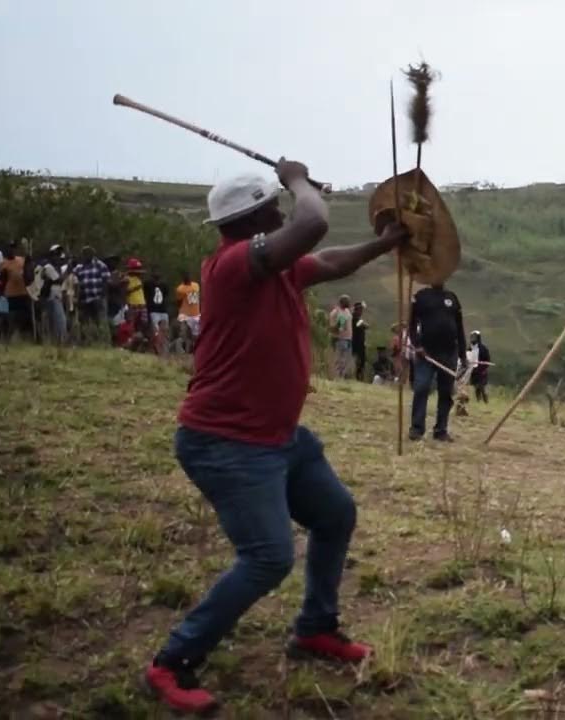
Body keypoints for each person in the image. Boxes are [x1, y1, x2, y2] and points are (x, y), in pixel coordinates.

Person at [145, 162, 411, 714]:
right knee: (267, 557)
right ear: (258, 218)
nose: (281, 215)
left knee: (335, 515)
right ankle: (171, 662)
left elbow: (331, 258)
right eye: (274, 208)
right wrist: (298, 179)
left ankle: (316, 627)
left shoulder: (274, 267)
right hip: (226, 442)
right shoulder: (234, 266)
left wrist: (385, 244)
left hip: (277, 437)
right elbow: (312, 224)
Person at [408, 282, 467, 441]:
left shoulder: (452, 298)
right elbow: (411, 324)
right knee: (421, 387)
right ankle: (416, 428)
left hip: (449, 353)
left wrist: (463, 355)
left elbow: (460, 328)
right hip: (426, 352)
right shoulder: (421, 297)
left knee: (446, 392)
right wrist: (417, 345)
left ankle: (441, 430)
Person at [74, 247, 111, 341]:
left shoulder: (100, 265)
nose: (86, 255)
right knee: (85, 321)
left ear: (93, 254)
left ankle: (104, 341)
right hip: (84, 299)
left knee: (101, 321)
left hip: (98, 297)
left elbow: (106, 282)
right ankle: (87, 341)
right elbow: (73, 280)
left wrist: (102, 296)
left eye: (88, 253)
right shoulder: (79, 267)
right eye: (84, 254)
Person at [37, 246, 68, 345]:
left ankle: (57, 342)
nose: (58, 258)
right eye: (56, 255)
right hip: (51, 297)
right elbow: (59, 280)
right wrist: (69, 269)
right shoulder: (48, 267)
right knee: (60, 321)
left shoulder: (56, 268)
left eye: (59, 255)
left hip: (55, 297)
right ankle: (60, 342)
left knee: (56, 321)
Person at [0, 244, 29, 339]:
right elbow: (2, 279)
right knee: (6, 315)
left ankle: (21, 334)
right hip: (8, 294)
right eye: (9, 248)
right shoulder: (3, 263)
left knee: (24, 315)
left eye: (13, 248)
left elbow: (28, 272)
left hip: (22, 292)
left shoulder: (22, 260)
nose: (11, 250)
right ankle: (6, 335)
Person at [328, 295, 354, 379]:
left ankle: (341, 377)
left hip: (348, 338)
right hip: (340, 339)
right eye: (347, 301)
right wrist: (339, 324)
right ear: (342, 302)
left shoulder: (347, 311)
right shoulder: (335, 312)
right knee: (339, 359)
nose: (349, 303)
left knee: (345, 360)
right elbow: (333, 328)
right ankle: (336, 376)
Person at [144, 272, 169, 354]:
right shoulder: (148, 284)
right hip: (153, 310)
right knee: (155, 331)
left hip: (163, 309)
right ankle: (155, 348)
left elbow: (165, 295)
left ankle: (163, 349)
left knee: (164, 330)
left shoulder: (164, 285)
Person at [175, 271, 201, 350]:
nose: (187, 277)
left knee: (196, 334)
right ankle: (181, 350)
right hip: (185, 314)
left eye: (188, 275)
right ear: (183, 278)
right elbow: (178, 302)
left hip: (196, 313)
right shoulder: (180, 289)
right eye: (185, 276)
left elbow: (197, 298)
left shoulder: (196, 285)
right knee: (183, 333)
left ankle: (194, 349)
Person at [468, 330, 491, 403]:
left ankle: (485, 401)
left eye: (474, 337)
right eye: (472, 337)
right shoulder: (470, 348)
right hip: (473, 371)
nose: (473, 339)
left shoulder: (483, 349)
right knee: (476, 388)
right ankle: (479, 401)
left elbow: (487, 360)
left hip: (482, 371)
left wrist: (484, 369)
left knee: (481, 387)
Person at [351, 301, 369, 381]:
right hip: (355, 343)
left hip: (361, 344)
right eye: (360, 310)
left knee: (362, 361)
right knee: (357, 361)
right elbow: (361, 325)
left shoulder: (358, 319)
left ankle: (359, 377)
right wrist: (363, 323)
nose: (361, 311)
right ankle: (356, 377)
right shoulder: (354, 318)